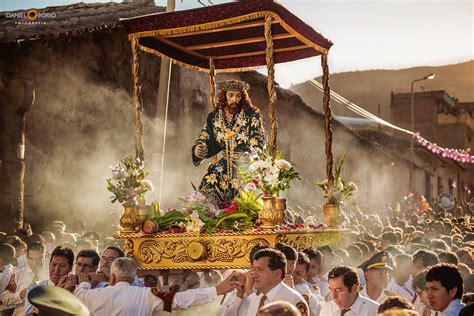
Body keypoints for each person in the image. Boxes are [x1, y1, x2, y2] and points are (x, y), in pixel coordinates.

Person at [192, 79, 266, 206]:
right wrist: (198, 149)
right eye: (231, 95)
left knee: (248, 197)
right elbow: (205, 136)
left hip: (245, 166)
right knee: (209, 183)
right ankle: (210, 216)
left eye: (238, 96)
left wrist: (251, 163)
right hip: (224, 166)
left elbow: (258, 143)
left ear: (242, 97)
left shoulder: (251, 116)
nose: (234, 99)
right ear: (224, 96)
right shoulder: (214, 117)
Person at [74, 257, 234, 315]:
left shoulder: (89, 295)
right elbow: (180, 300)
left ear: (113, 276)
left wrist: (84, 282)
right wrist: (218, 290)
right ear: (133, 276)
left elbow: (79, 293)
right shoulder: (147, 294)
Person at [222, 248, 308, 316]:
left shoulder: (293, 299)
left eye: (260, 269)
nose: (254, 275)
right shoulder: (258, 299)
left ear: (277, 273)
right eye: (254, 269)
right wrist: (239, 295)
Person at [24, 246, 76, 314]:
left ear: (70, 268)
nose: (56, 270)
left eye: (62, 266)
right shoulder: (35, 287)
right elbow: (30, 313)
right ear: (49, 264)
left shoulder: (75, 290)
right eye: (54, 264)